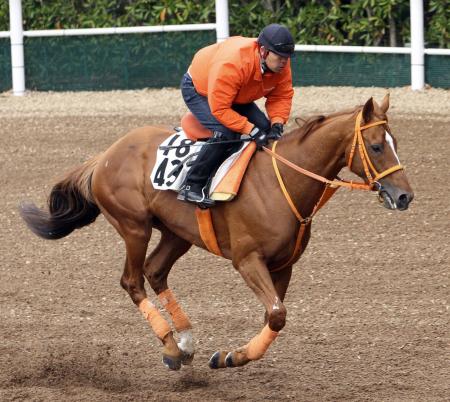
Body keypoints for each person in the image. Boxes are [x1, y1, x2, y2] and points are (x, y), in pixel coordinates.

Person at [177, 23, 295, 207]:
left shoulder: (281, 65)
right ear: (263, 52)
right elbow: (221, 109)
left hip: (237, 94)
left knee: (266, 130)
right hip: (199, 90)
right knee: (225, 132)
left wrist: (277, 123)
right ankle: (192, 185)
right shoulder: (233, 63)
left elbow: (281, 95)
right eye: (280, 57)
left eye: (287, 58)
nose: (284, 62)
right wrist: (250, 129)